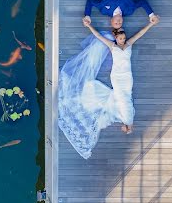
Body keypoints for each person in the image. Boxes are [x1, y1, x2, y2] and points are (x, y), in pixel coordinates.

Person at [56, 14, 158, 159]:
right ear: (116, 38)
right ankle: (128, 122)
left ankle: (128, 122)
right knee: (123, 98)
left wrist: (151, 24)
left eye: (123, 38)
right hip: (116, 77)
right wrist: (89, 26)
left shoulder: (128, 45)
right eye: (120, 38)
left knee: (125, 97)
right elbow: (98, 35)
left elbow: (140, 33)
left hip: (127, 77)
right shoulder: (112, 46)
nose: (122, 40)